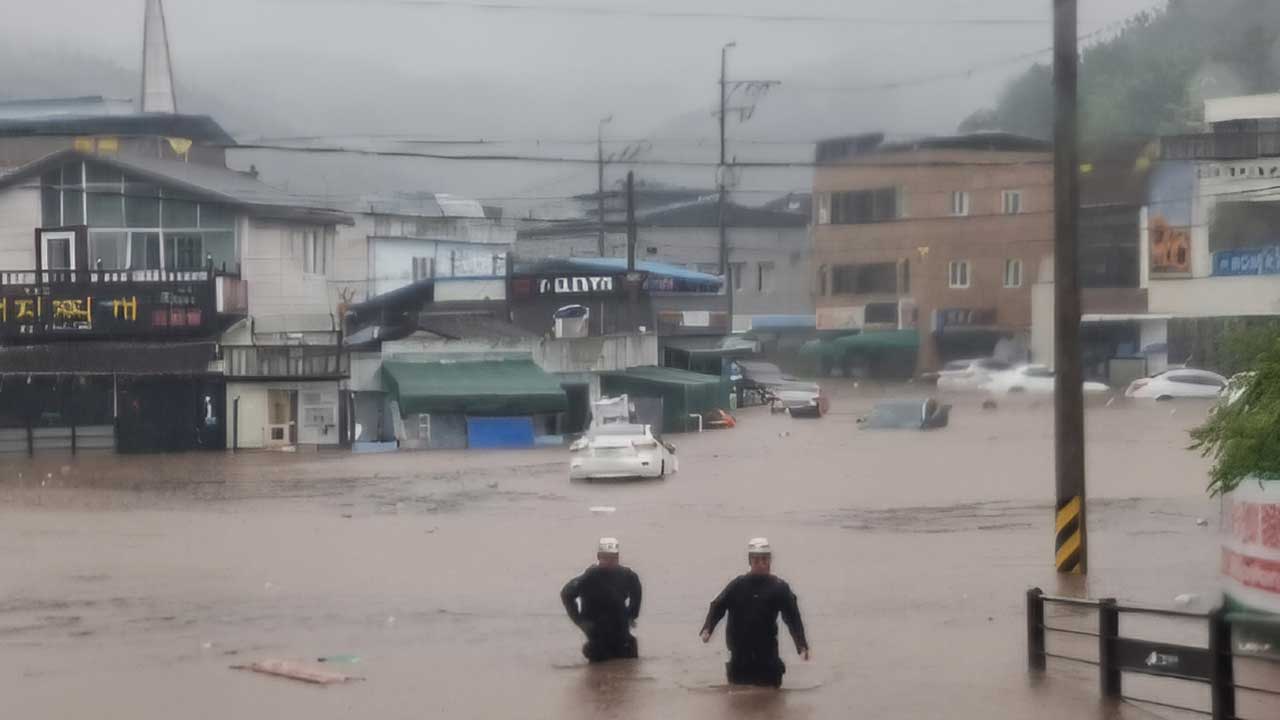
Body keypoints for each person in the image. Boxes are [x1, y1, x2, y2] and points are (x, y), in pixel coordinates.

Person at [699, 537, 809, 688]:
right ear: (750, 561)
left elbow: (792, 617)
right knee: (739, 702)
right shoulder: (737, 585)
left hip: (768, 660)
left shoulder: (779, 588)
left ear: (770, 560)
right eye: (757, 560)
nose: (761, 564)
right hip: (739, 660)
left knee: (770, 703)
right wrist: (707, 629)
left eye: (764, 560)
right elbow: (718, 605)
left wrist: (801, 645)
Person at [560, 537, 643, 662]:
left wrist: (632, 615)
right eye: (606, 557)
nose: (610, 561)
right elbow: (566, 593)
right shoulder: (589, 577)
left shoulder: (628, 575)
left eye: (613, 557)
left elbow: (636, 593)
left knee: (629, 669)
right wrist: (579, 621)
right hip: (597, 632)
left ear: (618, 557)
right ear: (599, 556)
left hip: (621, 630)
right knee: (598, 672)